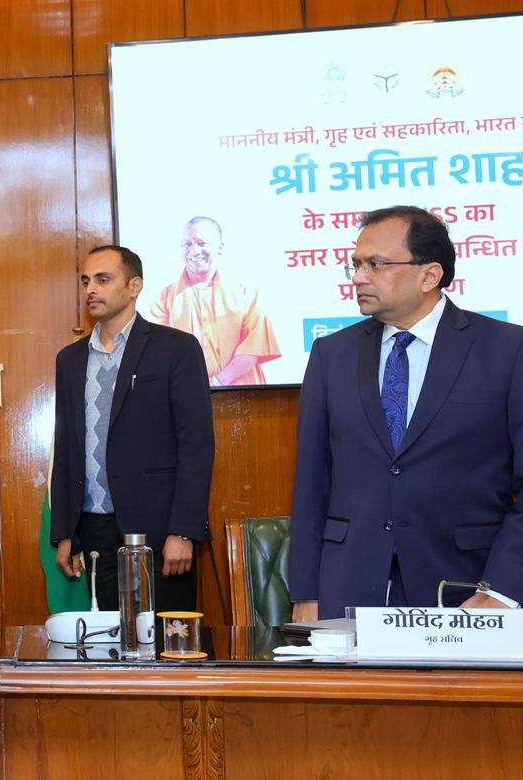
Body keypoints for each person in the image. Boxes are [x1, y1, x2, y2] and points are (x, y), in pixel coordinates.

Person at [291, 206, 523, 620]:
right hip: (349, 588)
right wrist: (307, 594)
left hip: (467, 589)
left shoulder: (507, 351)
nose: (359, 277)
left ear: (430, 275)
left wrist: (505, 589)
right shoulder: (332, 355)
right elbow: (312, 484)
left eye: (376, 264)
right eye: (356, 265)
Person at [50, 245, 215, 613]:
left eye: (103, 280)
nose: (91, 288)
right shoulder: (70, 360)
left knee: (167, 649)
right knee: (107, 651)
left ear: (135, 285)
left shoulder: (176, 349)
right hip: (95, 532)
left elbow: (196, 445)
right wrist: (65, 532)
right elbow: (66, 450)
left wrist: (184, 531)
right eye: (86, 281)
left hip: (160, 534)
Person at [148, 216, 280, 386]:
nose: (194, 251)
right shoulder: (165, 298)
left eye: (201, 243)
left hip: (244, 396)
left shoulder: (246, 294)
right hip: (185, 394)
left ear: (220, 247)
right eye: (187, 244)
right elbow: (158, 352)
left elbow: (254, 347)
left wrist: (216, 382)